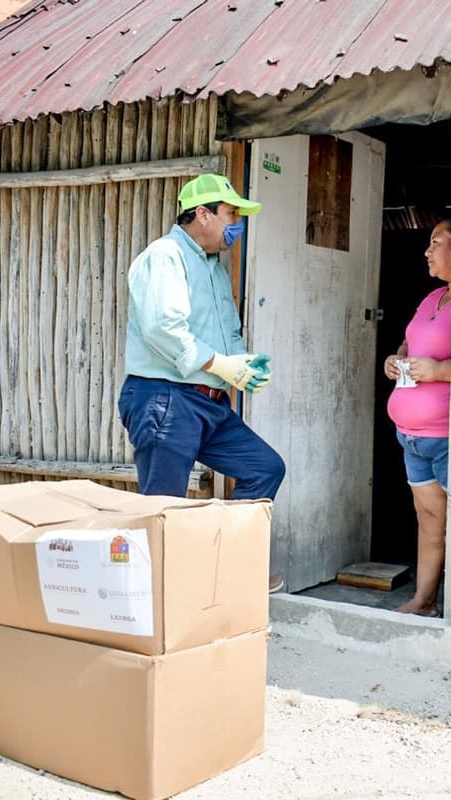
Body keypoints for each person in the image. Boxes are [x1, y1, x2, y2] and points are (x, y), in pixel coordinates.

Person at [118, 173, 287, 593]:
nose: (237, 225)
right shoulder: (166, 256)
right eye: (232, 214)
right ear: (203, 214)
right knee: (164, 508)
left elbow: (224, 331)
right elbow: (163, 329)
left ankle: (227, 570)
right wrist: (220, 364)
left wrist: (243, 365)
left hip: (209, 403)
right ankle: (157, 610)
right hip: (166, 398)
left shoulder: (212, 266)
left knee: (264, 468)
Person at [383, 220, 451, 617]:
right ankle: (424, 601)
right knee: (429, 518)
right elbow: (410, 343)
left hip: (445, 436)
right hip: (410, 436)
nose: (427, 251)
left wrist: (440, 371)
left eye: (436, 243)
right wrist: (395, 359)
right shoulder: (432, 299)